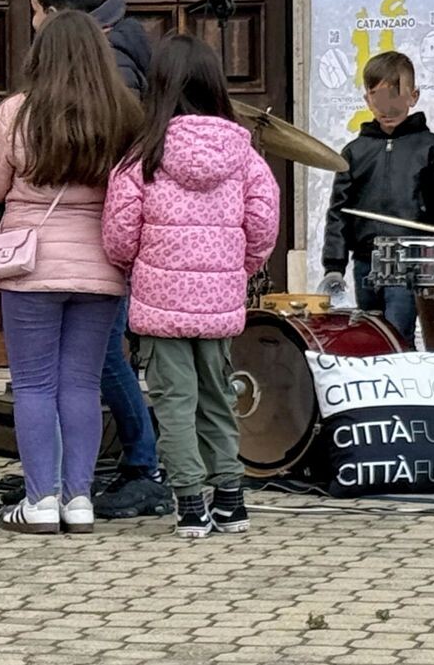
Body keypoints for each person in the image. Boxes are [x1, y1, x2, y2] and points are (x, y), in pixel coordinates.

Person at [0, 10, 141, 534]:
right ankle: (79, 499)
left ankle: (40, 499)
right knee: (83, 384)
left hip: (31, 266)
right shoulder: (124, 114)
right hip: (100, 266)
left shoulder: (17, 112)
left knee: (34, 385)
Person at [103, 33, 279, 538]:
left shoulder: (142, 157)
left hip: (160, 304)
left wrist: (135, 266)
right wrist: (240, 266)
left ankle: (189, 505)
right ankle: (231, 500)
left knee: (174, 402)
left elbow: (119, 233)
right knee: (218, 395)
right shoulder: (245, 156)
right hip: (219, 302)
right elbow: (263, 223)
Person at [28, 0, 166, 520]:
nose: (32, 24)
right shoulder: (121, 47)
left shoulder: (114, 61)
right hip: (96, 242)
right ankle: (76, 475)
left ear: (57, 13)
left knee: (98, 361)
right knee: (91, 365)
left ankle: (142, 463)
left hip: (100, 240)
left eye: (35, 11)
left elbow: (109, 154)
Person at [318, 51, 434, 345]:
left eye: (395, 97)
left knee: (398, 332)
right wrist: (334, 266)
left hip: (410, 259)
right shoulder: (354, 152)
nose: (387, 108)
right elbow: (339, 212)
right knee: (372, 332)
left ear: (413, 96)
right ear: (367, 100)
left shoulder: (431, 146)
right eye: (378, 98)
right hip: (365, 259)